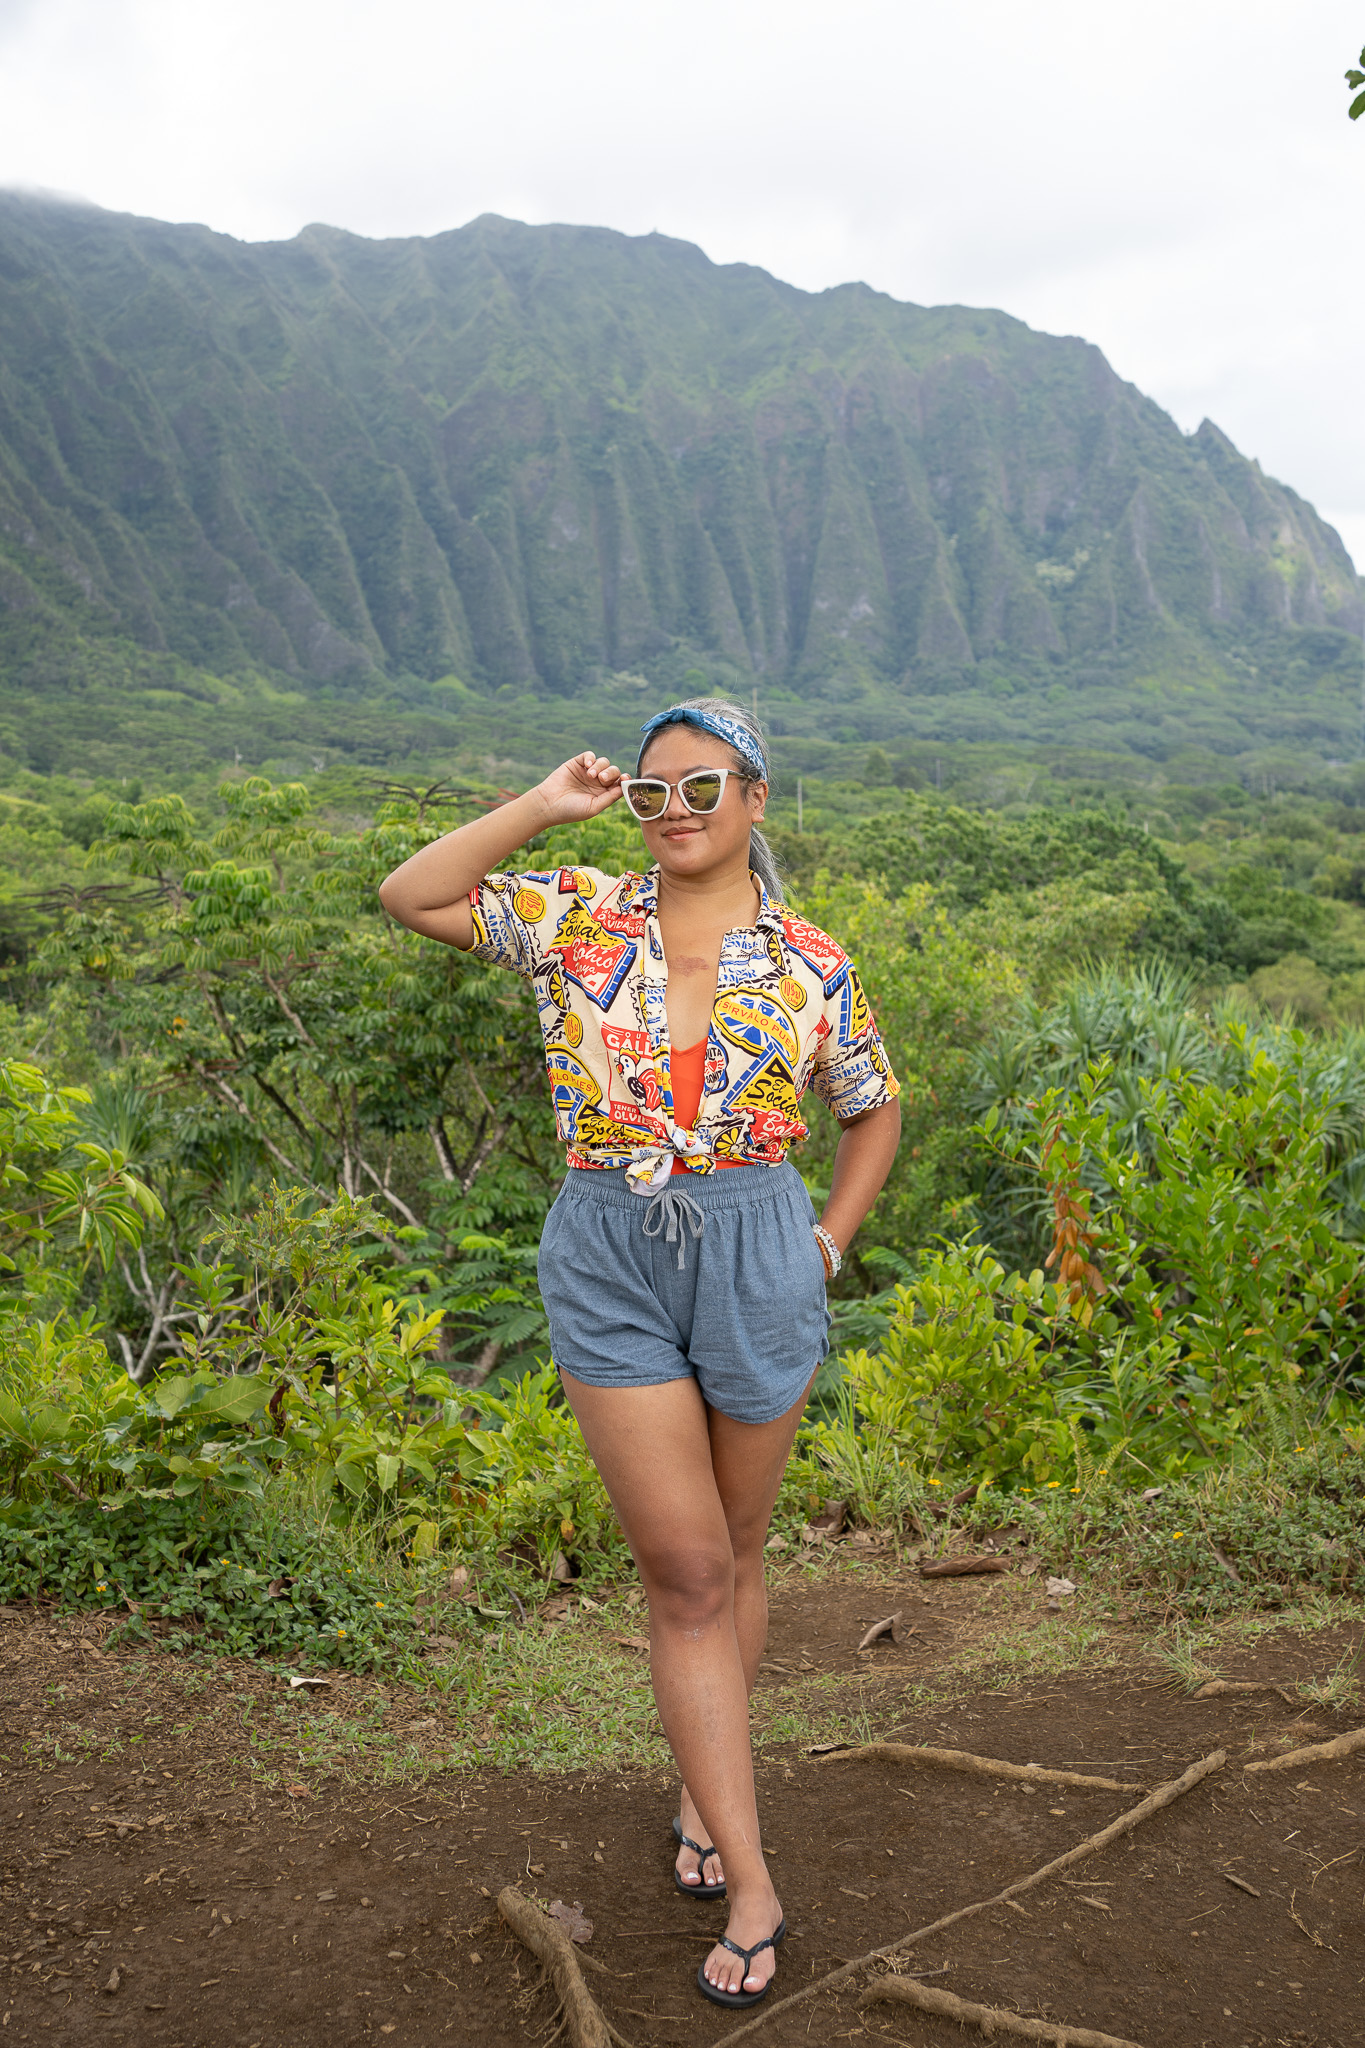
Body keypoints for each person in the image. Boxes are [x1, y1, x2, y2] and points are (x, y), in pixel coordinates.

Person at [378, 697, 901, 2008]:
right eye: (651, 794)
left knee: (735, 1553)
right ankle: (754, 1872)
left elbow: (871, 1104)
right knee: (681, 1571)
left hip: (755, 1241)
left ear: (756, 799)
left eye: (701, 788)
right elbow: (413, 891)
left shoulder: (807, 960)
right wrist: (548, 803)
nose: (674, 812)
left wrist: (827, 1243)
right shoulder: (578, 915)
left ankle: (695, 1787)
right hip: (607, 1246)